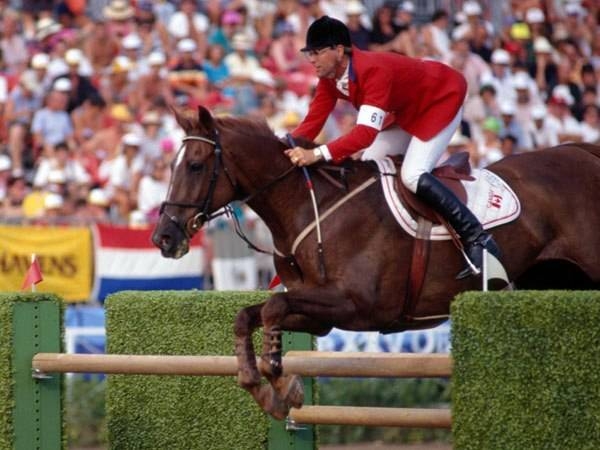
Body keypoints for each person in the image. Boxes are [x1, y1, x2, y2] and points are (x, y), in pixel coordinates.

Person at [285, 16, 500, 279]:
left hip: (442, 96)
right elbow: (310, 125)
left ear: (339, 50)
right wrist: (279, 149)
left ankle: (478, 239)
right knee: (369, 169)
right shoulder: (330, 80)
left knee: (412, 175)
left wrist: (316, 153)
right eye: (309, 53)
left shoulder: (373, 70)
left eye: (317, 52)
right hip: (407, 108)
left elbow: (364, 134)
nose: (312, 60)